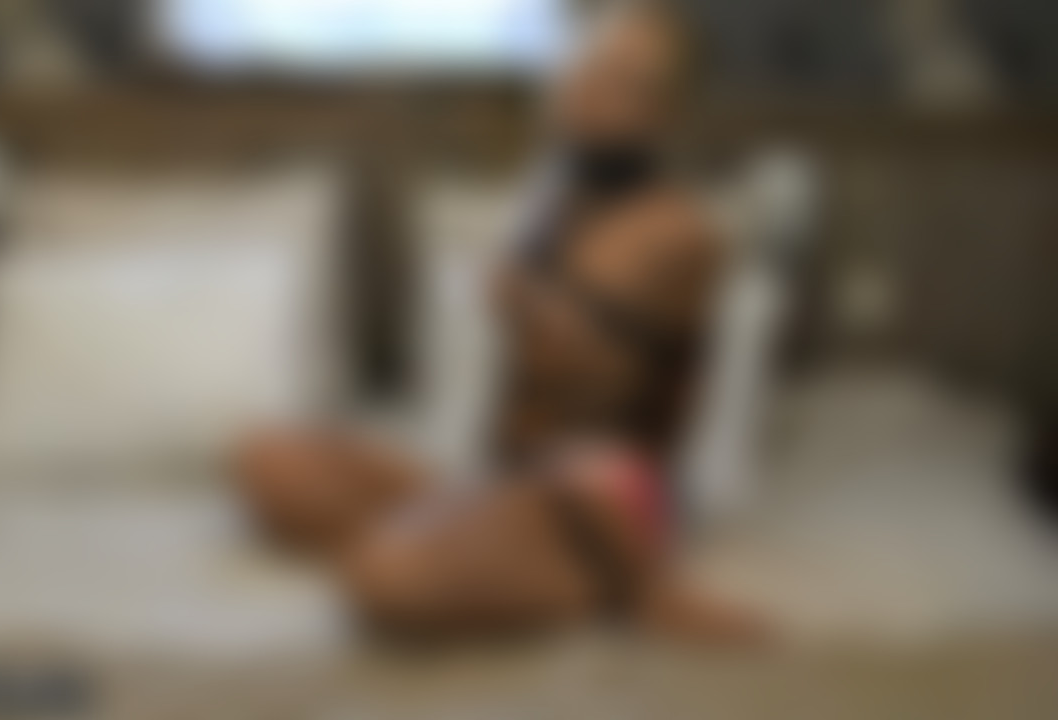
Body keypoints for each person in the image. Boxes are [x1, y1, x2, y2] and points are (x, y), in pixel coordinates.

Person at [233, 1, 757, 641]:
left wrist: (527, 304)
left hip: (601, 497)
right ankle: (458, 542)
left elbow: (596, 378)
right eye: (588, 66)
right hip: (505, 477)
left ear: (664, 112)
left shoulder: (679, 230)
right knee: (264, 459)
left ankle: (608, 583)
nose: (592, 88)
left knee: (380, 576)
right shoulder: (554, 196)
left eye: (626, 82)